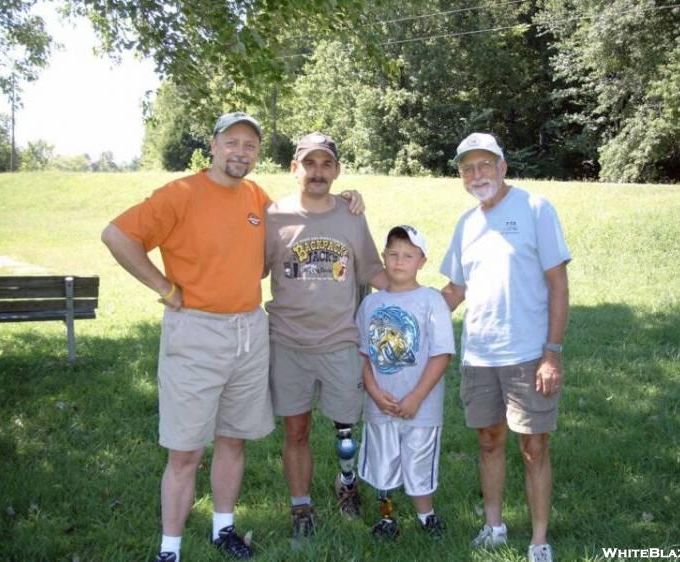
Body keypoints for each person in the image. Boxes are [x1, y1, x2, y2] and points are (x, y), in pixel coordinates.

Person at [101, 114, 362, 562]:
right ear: (214, 144)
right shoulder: (179, 194)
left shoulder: (255, 197)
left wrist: (344, 199)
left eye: (250, 145)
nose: (241, 151)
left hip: (250, 330)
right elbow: (117, 235)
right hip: (196, 331)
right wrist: (165, 288)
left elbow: (303, 212)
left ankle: (224, 528)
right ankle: (170, 549)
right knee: (185, 450)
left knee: (232, 439)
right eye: (232, 142)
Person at [440, 133, 571, 562]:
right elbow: (455, 291)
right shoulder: (467, 223)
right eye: (467, 169)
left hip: (529, 355)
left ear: (502, 166)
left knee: (534, 448)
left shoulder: (535, 208)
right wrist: (406, 310)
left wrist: (552, 353)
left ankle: (539, 541)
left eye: (484, 165)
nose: (477, 175)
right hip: (479, 355)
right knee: (489, 442)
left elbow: (557, 283)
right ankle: (493, 526)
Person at [264, 132, 388, 543]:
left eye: (326, 164)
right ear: (294, 167)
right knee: (295, 431)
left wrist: (419, 298)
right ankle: (301, 506)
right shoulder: (273, 216)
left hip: (340, 341)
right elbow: (246, 270)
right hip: (288, 342)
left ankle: (346, 484)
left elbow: (372, 271)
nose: (318, 172)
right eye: (310, 163)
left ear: (336, 170)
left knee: (346, 426)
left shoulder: (351, 215)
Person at [356, 225, 455, 540]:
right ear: (384, 257)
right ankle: (387, 518)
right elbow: (364, 355)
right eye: (393, 254)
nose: (399, 262)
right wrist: (372, 391)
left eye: (408, 255)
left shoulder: (431, 301)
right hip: (381, 403)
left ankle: (427, 517)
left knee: (419, 462)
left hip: (420, 407)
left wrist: (416, 397)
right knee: (382, 466)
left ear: (422, 261)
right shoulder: (370, 304)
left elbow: (441, 355)